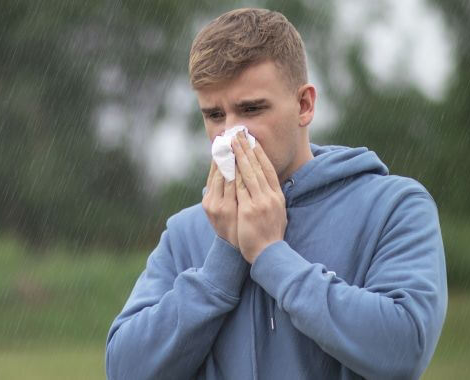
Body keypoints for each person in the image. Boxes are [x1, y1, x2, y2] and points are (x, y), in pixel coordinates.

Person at [105, 8, 447, 380]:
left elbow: (404, 349)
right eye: (214, 115)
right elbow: (124, 370)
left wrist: (271, 255)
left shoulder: (394, 207)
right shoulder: (188, 229)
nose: (231, 136)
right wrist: (225, 256)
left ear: (304, 105)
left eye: (251, 109)